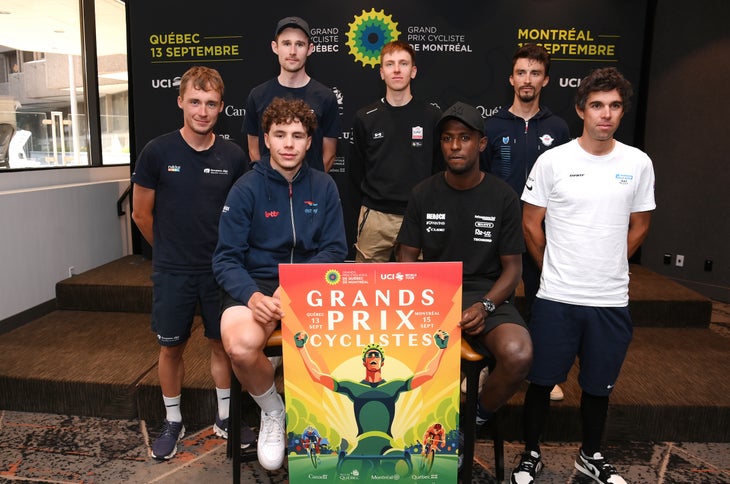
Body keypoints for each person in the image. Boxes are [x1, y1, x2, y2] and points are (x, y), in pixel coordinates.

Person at [512, 67, 655, 484]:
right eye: (597, 105)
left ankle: (590, 455)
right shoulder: (553, 161)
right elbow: (530, 224)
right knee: (541, 381)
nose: (605, 114)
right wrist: (553, 265)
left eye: (613, 106)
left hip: (610, 299)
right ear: (581, 109)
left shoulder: (638, 163)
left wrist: (611, 260)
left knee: (598, 386)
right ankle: (531, 453)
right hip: (557, 296)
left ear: (622, 111)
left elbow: (641, 225)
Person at [212, 97, 348, 470]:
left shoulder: (324, 187)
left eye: (298, 135)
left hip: (310, 286)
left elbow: (335, 249)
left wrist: (296, 285)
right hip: (255, 286)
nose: (289, 143)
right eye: (280, 134)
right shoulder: (245, 189)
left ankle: (333, 425)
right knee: (240, 346)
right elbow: (225, 258)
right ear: (266, 140)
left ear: (309, 142)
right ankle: (274, 411)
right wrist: (252, 295)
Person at [130, 66, 250, 461]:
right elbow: (141, 214)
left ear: (221, 107)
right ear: (181, 101)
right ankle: (173, 420)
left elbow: (241, 216)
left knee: (223, 345)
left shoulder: (233, 155)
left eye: (211, 103)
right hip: (172, 272)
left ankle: (226, 417)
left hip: (220, 271)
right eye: (195, 101)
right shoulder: (157, 152)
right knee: (171, 349)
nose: (202, 110)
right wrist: (168, 252)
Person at [396, 102, 533, 442]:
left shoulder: (502, 196)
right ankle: (408, 430)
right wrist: (424, 302)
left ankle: (471, 423)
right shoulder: (422, 193)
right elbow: (405, 260)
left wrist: (485, 306)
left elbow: (513, 270)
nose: (455, 146)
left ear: (481, 144)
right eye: (447, 139)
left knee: (519, 353)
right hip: (431, 295)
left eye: (464, 138)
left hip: (487, 295)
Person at [484, 44, 571, 401]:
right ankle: (487, 367)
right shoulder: (491, 126)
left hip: (542, 228)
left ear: (545, 80)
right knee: (491, 297)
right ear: (511, 78)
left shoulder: (559, 128)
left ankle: (543, 375)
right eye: (521, 72)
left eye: (535, 73)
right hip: (498, 230)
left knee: (541, 298)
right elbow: (482, 180)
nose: (527, 79)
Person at [348, 40, 443, 262]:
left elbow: (438, 170)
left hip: (417, 215)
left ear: (414, 71)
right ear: (382, 73)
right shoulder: (365, 117)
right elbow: (355, 173)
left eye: (403, 63)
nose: (397, 69)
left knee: (419, 287)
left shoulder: (432, 116)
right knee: (368, 286)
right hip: (375, 216)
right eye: (390, 64)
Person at [293, 336, 449, 456]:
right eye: (370, 355)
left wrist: (441, 349)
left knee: (399, 469)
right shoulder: (353, 387)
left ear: (382, 362)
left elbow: (428, 374)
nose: (373, 357)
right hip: (362, 443)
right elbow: (318, 376)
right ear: (364, 362)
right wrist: (301, 348)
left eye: (376, 355)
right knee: (346, 472)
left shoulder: (393, 386)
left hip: (387, 444)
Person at [243, 16, 340, 172]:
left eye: (300, 44)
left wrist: (311, 184)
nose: (293, 52)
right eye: (286, 44)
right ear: (275, 47)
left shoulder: (325, 97)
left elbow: (329, 155)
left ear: (310, 49)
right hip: (268, 191)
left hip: (310, 191)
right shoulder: (258, 95)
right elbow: (254, 150)